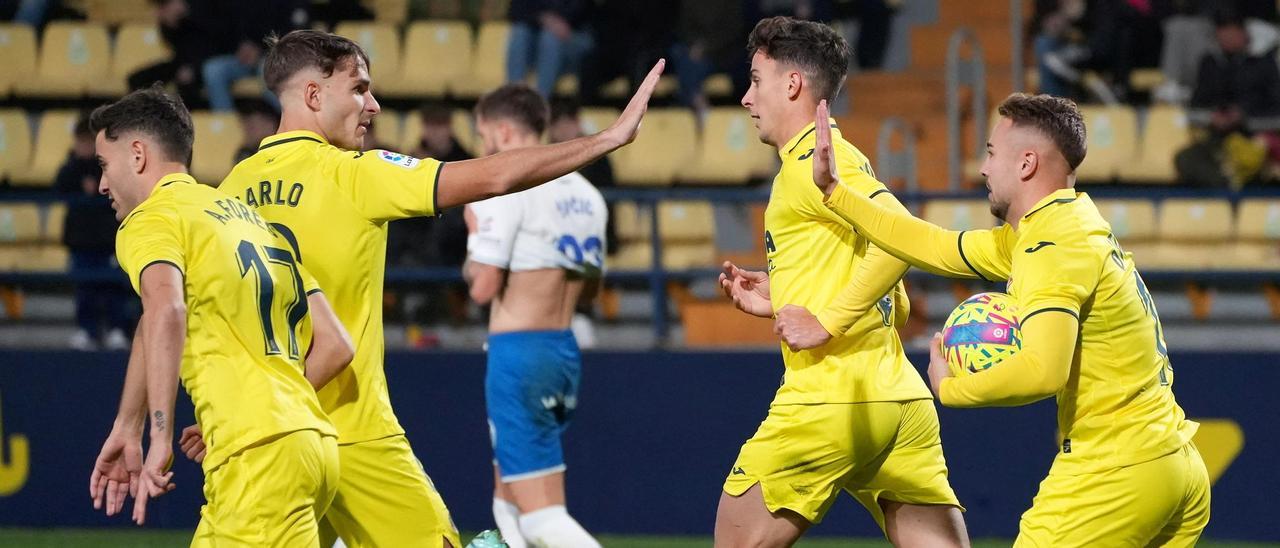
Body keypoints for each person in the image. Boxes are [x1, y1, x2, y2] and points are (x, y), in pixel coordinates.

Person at [212, 29, 663, 547]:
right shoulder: (354, 174)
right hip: (352, 427)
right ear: (314, 95)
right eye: (359, 89)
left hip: (268, 433)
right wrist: (607, 139)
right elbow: (492, 178)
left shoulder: (231, 192)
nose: (374, 105)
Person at [809, 92, 1211, 545]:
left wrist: (951, 389)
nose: (982, 168)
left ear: (1026, 164)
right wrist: (836, 194)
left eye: (991, 152)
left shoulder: (1051, 246)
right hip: (1173, 462)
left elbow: (1043, 370)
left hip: (1116, 468)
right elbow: (933, 245)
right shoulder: (1060, 226)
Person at [715, 17, 967, 547]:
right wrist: (780, 294)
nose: (745, 97)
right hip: (897, 400)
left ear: (792, 85)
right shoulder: (834, 159)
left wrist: (826, 321)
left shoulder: (816, 161)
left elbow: (902, 237)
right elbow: (874, 259)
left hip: (827, 399)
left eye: (756, 79)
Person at [85, 87, 354, 544]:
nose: (103, 185)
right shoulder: (246, 219)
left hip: (258, 461)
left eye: (105, 166)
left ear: (136, 155)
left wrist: (160, 436)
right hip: (307, 445)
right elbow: (335, 344)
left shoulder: (152, 218)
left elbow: (167, 308)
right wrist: (125, 425)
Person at [463, 84, 607, 548]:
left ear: (502, 131)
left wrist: (472, 238)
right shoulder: (588, 195)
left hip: (518, 353)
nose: (483, 146)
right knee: (508, 502)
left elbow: (483, 288)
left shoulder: (508, 187)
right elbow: (592, 290)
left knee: (544, 518)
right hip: (562, 351)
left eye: (483, 134)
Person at [55, 115, 133, 351]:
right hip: (81, 241)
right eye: (81, 142)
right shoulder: (70, 168)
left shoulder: (108, 168)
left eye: (88, 142)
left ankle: (117, 329)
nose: (84, 147)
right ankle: (86, 330)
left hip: (107, 240)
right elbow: (59, 186)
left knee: (113, 288)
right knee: (84, 289)